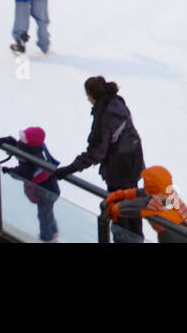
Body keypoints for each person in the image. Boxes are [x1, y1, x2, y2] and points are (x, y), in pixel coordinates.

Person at [54, 77, 147, 242]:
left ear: (92, 95)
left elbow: (95, 153)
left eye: (87, 95)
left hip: (119, 172)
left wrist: (68, 169)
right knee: (132, 214)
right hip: (133, 165)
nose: (87, 99)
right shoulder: (118, 104)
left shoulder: (105, 116)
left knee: (120, 219)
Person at [0, 127, 61, 242]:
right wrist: (8, 141)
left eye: (23, 140)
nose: (19, 141)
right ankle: (54, 231)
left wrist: (10, 171)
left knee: (44, 216)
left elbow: (23, 173)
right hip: (48, 188)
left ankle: (47, 239)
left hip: (48, 192)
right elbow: (20, 151)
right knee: (48, 213)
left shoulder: (35, 160)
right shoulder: (33, 150)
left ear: (30, 145)